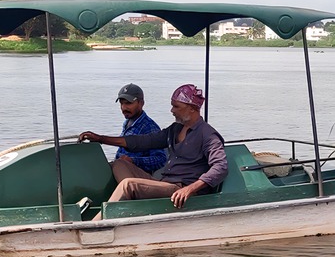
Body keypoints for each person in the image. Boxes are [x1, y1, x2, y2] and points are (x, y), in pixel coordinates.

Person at [78, 84, 227, 209]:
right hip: (164, 182)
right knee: (119, 164)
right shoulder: (175, 129)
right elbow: (143, 141)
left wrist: (190, 188)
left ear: (192, 108)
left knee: (128, 185)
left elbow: (220, 166)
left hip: (181, 188)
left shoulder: (207, 134)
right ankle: (134, 205)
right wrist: (100, 138)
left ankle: (97, 224)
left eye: (176, 106)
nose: (172, 110)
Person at [113, 83, 168, 174]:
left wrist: (133, 160)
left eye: (128, 103)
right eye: (121, 103)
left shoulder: (149, 127)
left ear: (141, 103)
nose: (124, 108)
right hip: (120, 169)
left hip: (136, 176)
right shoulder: (128, 122)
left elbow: (160, 159)